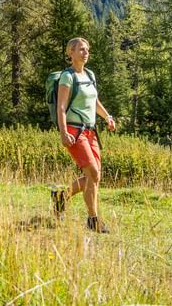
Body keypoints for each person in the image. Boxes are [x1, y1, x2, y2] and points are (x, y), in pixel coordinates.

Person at [51, 37, 116, 233]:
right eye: (81, 49)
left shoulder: (90, 74)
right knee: (93, 173)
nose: (85, 52)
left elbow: (94, 101)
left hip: (90, 132)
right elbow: (61, 108)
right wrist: (63, 133)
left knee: (94, 177)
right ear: (70, 53)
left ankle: (61, 197)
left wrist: (107, 117)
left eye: (87, 49)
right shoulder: (67, 77)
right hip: (74, 131)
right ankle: (93, 220)